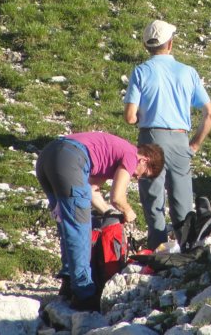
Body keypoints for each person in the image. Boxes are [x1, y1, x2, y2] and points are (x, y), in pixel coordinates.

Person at [35, 132, 164, 311]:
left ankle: (68, 283)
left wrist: (109, 213)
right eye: (145, 174)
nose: (138, 178)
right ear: (144, 160)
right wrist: (128, 211)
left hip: (48, 156)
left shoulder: (111, 157)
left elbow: (90, 191)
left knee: (66, 224)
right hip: (71, 158)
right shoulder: (131, 155)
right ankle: (84, 295)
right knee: (80, 230)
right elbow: (117, 198)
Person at [124, 20, 211, 250]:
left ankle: (157, 248)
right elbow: (210, 114)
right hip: (180, 140)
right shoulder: (188, 72)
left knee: (153, 200)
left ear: (146, 46)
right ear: (170, 44)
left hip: (150, 139)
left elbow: (130, 117)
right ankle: (187, 249)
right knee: (182, 203)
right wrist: (194, 145)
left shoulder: (141, 71)